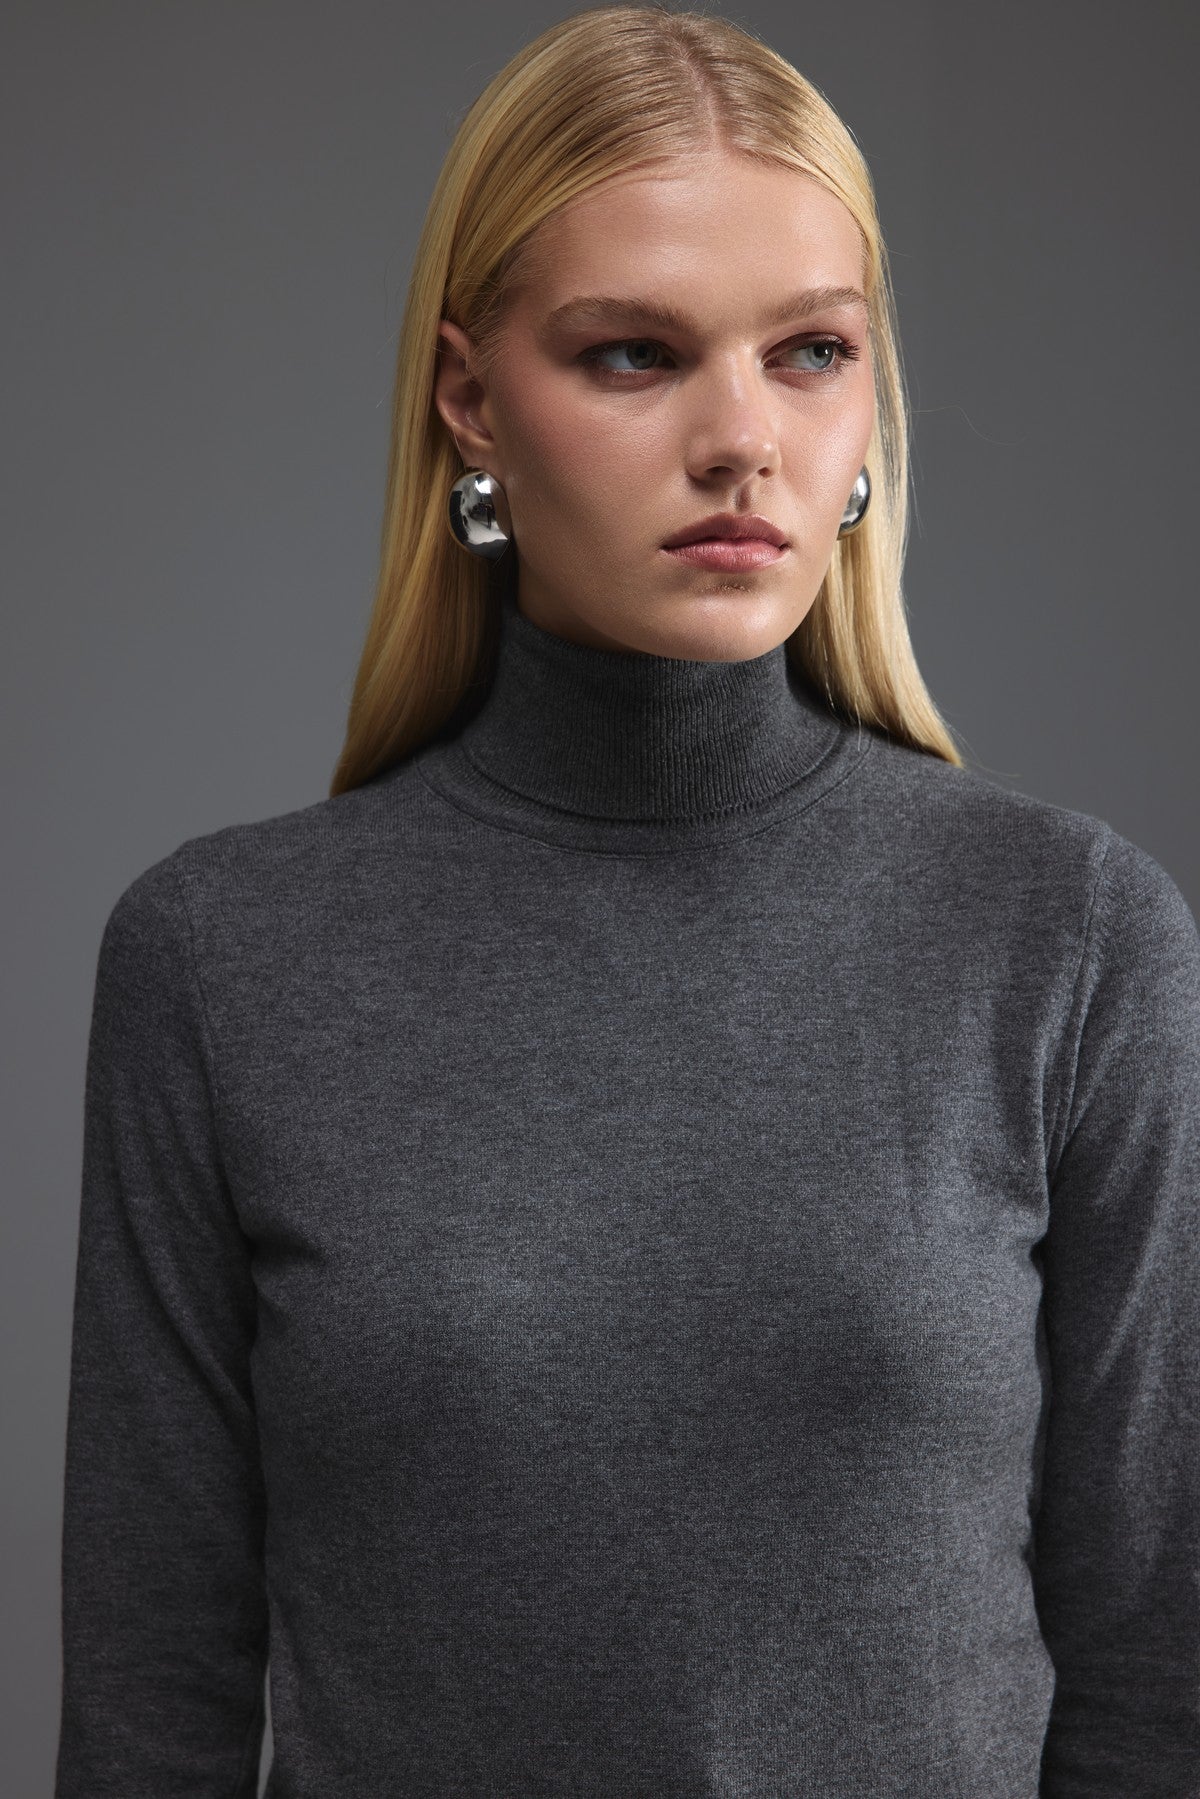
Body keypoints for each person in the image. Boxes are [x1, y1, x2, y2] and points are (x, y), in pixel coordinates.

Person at [55, 5, 1199, 1795]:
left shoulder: (1069, 938)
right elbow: (151, 1702)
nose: (742, 438)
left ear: (870, 398)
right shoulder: (224, 959)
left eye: (811, 351)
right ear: (470, 401)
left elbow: (1161, 1671)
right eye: (634, 355)